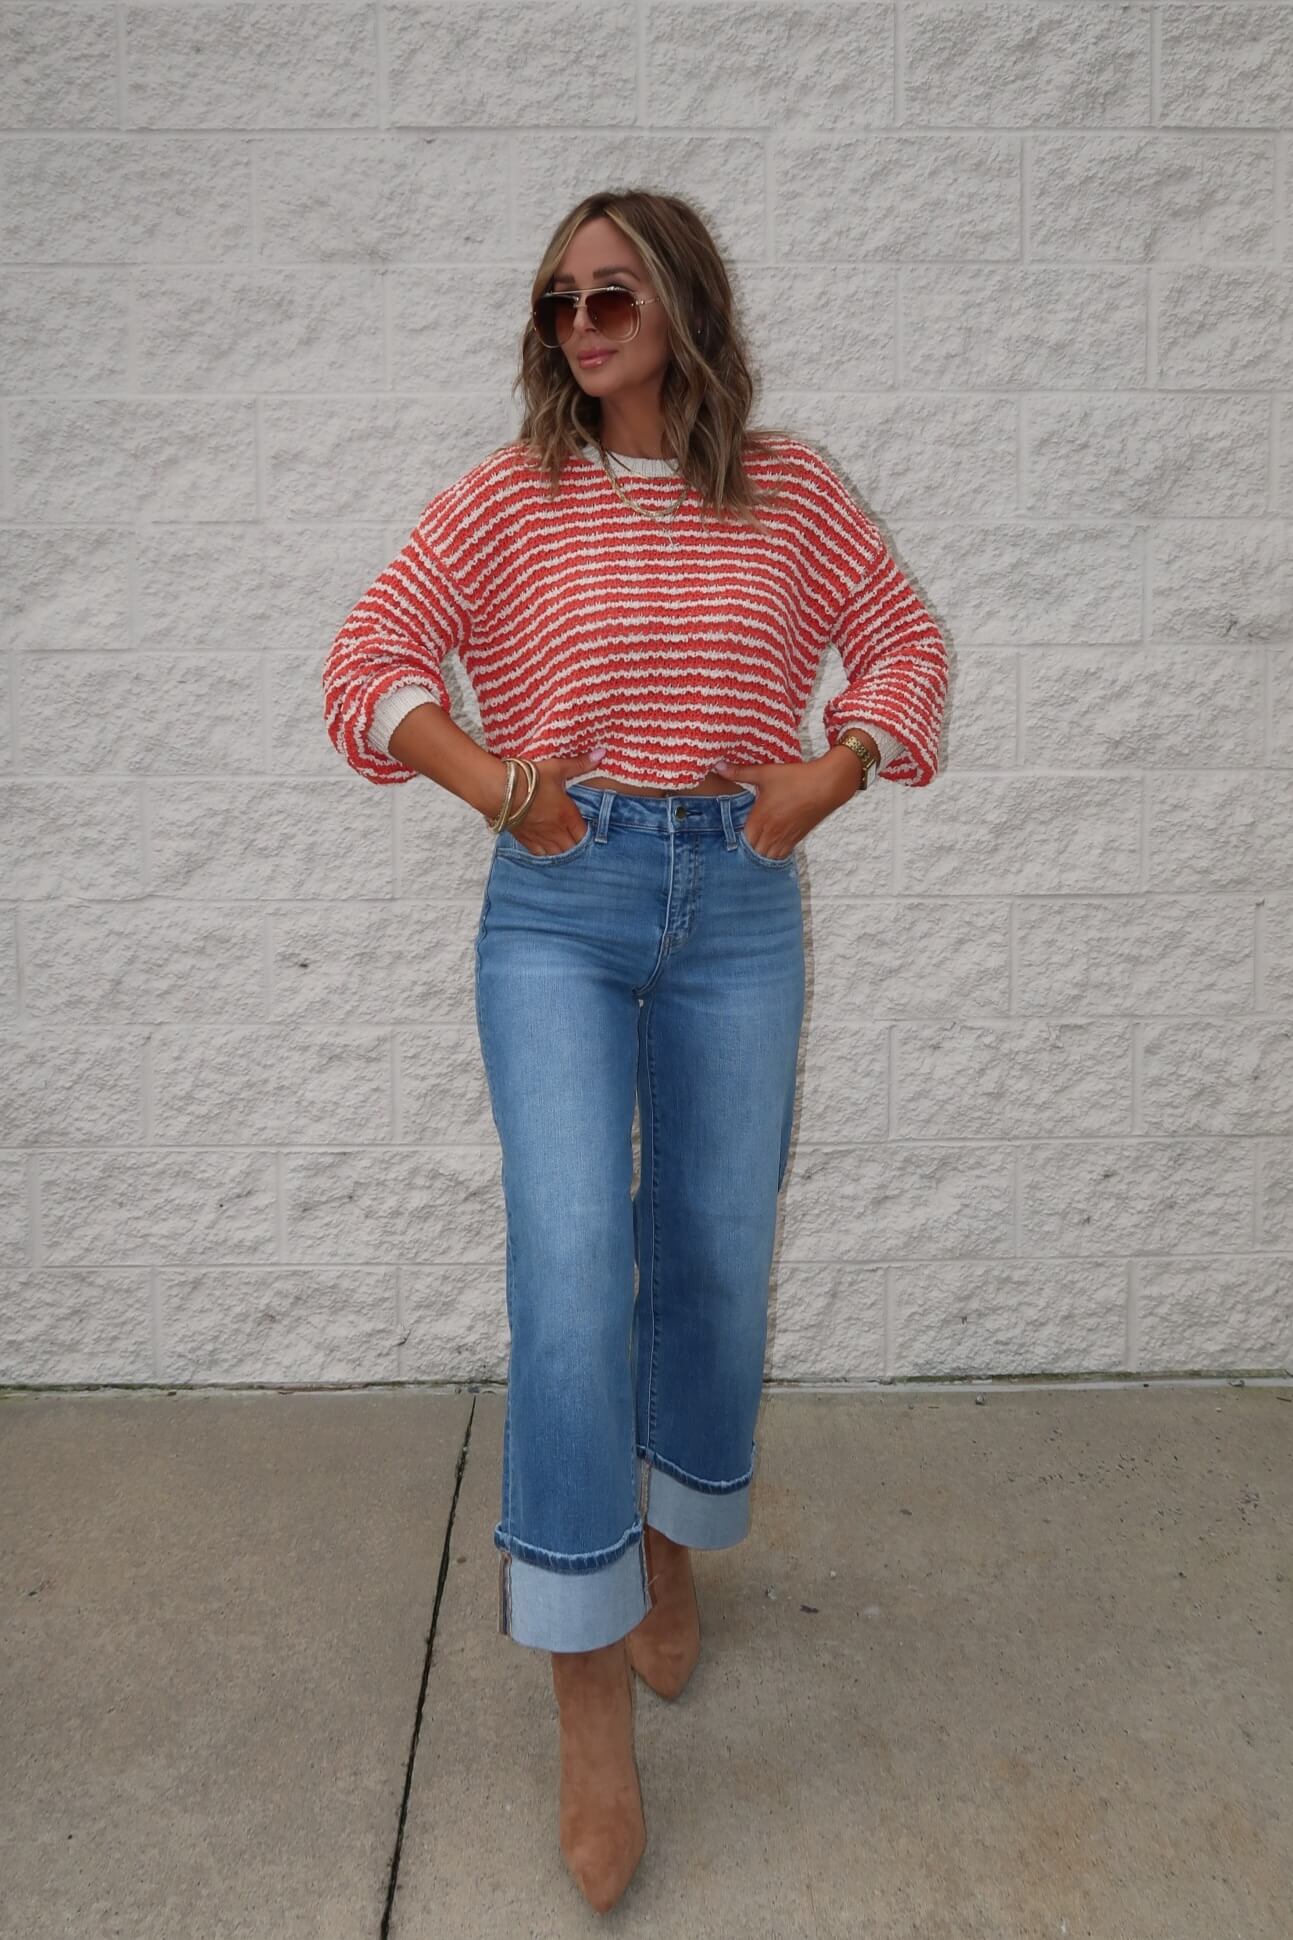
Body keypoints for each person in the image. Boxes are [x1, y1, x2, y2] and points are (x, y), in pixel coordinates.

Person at [322, 187, 950, 1913]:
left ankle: (669, 1539)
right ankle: (584, 1691)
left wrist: (822, 780)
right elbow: (364, 662)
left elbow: (904, 646)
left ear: (678, 301)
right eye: (554, 304)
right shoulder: (513, 498)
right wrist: (503, 788)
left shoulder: (793, 488)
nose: (579, 325)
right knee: (573, 1264)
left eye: (608, 295)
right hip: (560, 906)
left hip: (735, 908)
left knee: (713, 1259)